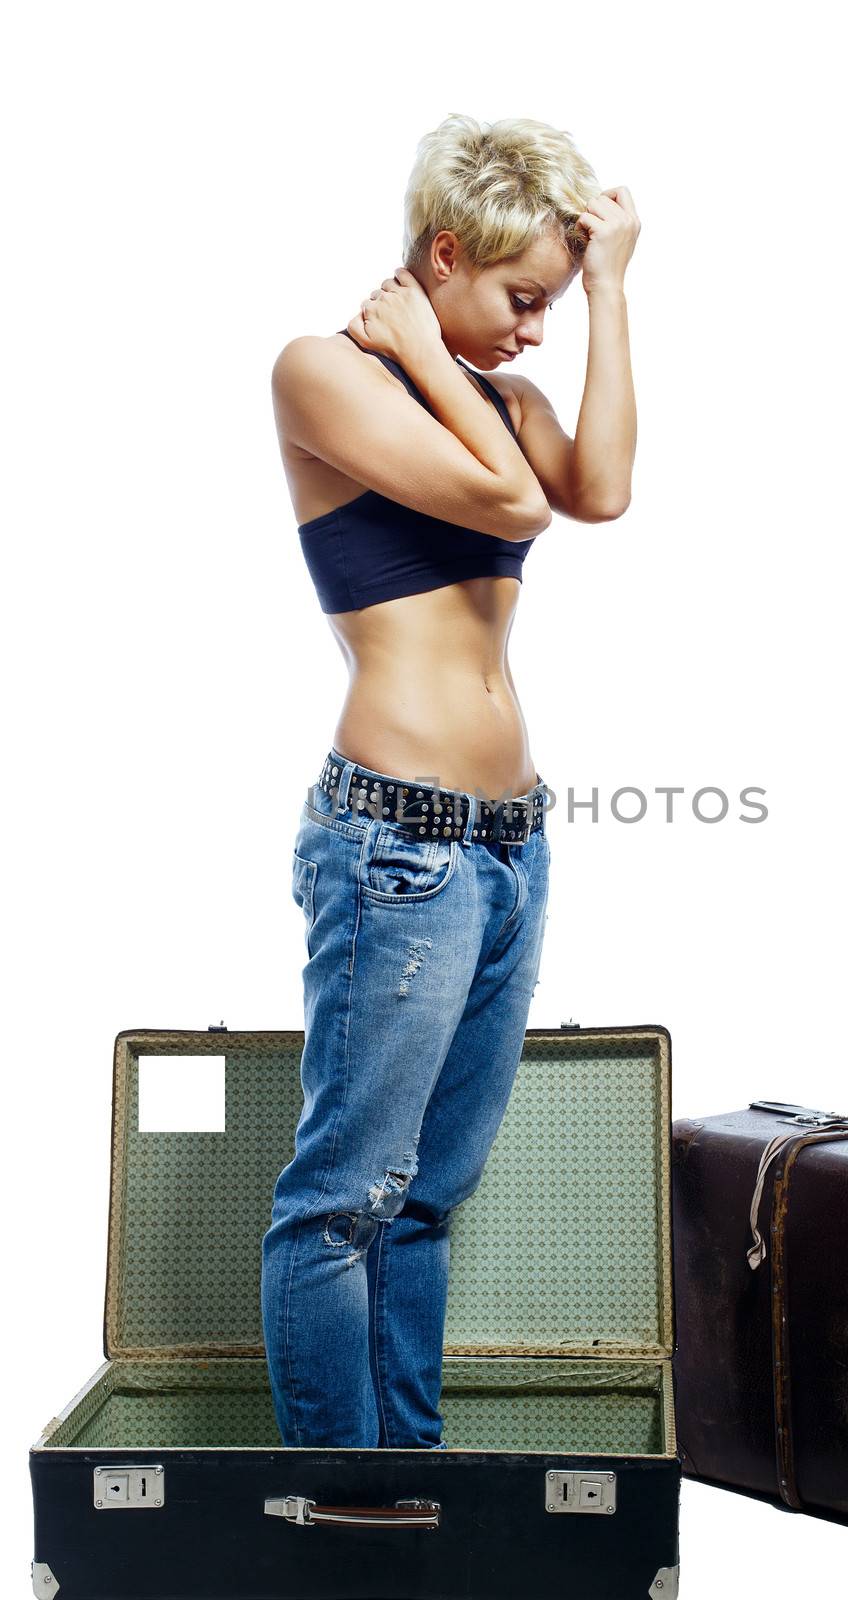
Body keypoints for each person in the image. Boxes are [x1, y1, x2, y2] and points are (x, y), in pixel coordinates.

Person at [260, 113, 640, 1450]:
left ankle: (411, 1494)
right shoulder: (326, 373)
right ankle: (339, 1507)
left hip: (509, 845)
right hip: (394, 844)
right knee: (342, 1199)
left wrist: (607, 289)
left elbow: (598, 489)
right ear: (441, 254)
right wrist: (423, 345)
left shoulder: (509, 398)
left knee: (425, 1199)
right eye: (521, 299)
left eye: (550, 304)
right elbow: (512, 509)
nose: (533, 335)